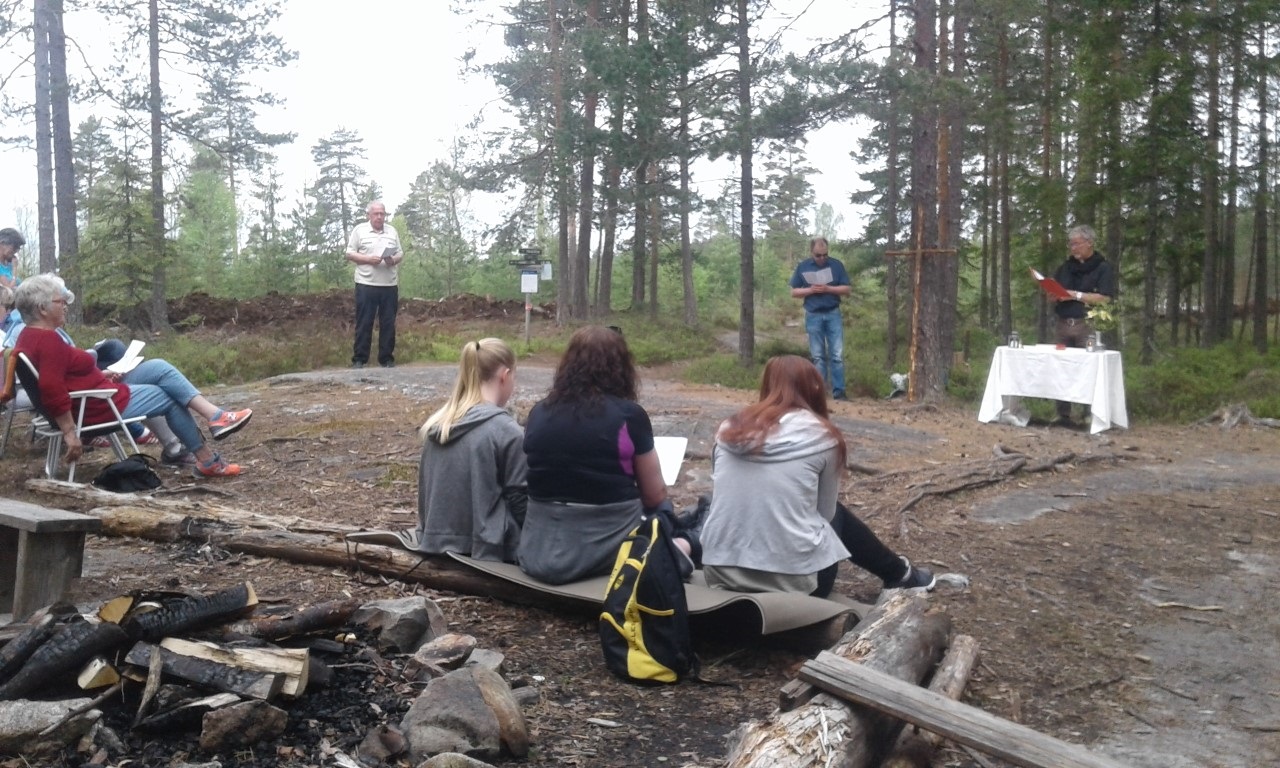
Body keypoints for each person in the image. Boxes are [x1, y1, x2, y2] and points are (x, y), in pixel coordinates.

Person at [699, 355, 935, 598]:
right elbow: (825, 515)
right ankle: (900, 575)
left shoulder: (730, 429)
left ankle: (900, 573)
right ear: (813, 389)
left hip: (720, 573)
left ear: (766, 385)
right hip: (798, 584)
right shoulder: (823, 437)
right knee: (838, 513)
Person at [12, 274, 253, 478]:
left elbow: (63, 375)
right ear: (42, 309)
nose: (65, 305)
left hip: (95, 393)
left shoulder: (29, 337)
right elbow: (51, 389)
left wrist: (102, 373)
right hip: (97, 405)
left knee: (158, 367)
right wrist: (69, 432)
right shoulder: (48, 340)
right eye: (60, 301)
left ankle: (216, 416)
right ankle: (207, 460)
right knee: (166, 395)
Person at [518, 326, 698, 585]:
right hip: (608, 549)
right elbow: (654, 494)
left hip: (540, 549)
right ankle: (686, 543)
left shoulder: (538, 413)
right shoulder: (629, 416)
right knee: (666, 512)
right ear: (621, 369)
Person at [410, 338, 527, 562]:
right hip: (486, 550)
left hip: (434, 542)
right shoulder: (507, 431)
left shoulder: (438, 424)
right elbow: (521, 503)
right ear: (505, 375)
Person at [1051, 224, 1116, 426]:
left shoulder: (1102, 267)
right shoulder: (1065, 267)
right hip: (1063, 324)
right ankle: (1063, 413)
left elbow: (1104, 298)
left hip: (1086, 325)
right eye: (1071, 244)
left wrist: (1076, 295)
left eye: (1077, 243)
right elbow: (1056, 291)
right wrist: (1052, 294)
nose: (1073, 248)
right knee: (1061, 368)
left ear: (1089, 243)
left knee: (1087, 369)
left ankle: (1088, 413)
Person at [789, 237, 852, 401]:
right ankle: (818, 393)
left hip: (833, 313)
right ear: (811, 253)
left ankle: (839, 392)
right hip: (813, 315)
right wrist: (811, 290)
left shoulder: (836, 265)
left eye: (825, 255)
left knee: (837, 355)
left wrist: (828, 289)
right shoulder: (803, 267)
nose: (822, 258)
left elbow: (847, 289)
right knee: (817, 356)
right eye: (818, 255)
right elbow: (794, 292)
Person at [345, 200, 402, 369]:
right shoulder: (359, 230)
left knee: (388, 323)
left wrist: (392, 260)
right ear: (369, 215)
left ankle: (386, 359)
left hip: (389, 285)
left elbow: (400, 253)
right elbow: (349, 253)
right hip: (366, 283)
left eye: (382, 214)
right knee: (364, 322)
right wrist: (368, 259)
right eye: (376, 214)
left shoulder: (392, 231)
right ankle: (359, 359)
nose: (379, 217)